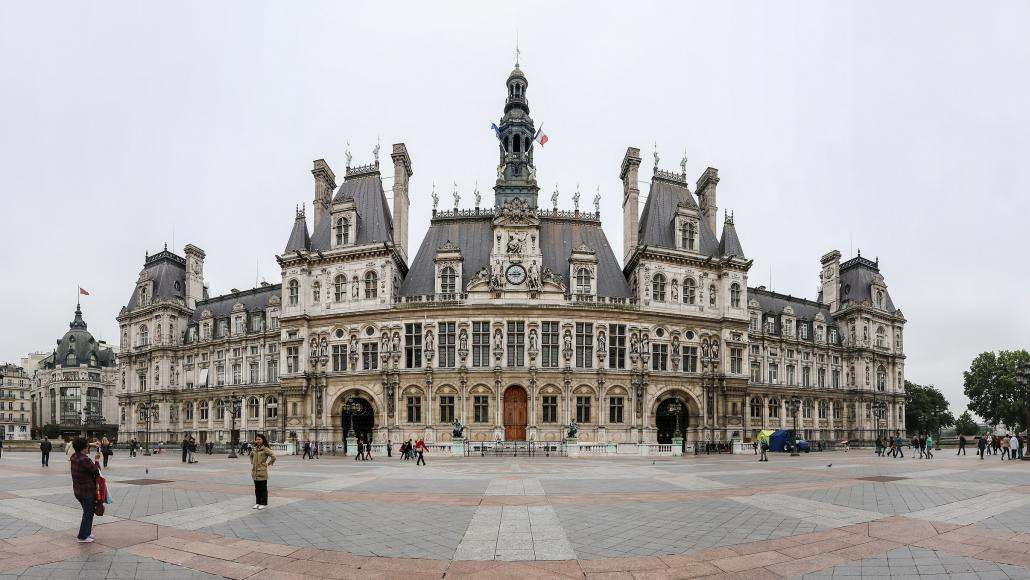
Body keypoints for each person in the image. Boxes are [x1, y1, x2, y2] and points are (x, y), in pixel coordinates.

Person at [69, 438, 101, 543]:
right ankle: (82, 536)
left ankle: (86, 531)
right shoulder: (85, 460)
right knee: (88, 513)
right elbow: (96, 471)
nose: (89, 448)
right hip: (87, 491)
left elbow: (80, 444)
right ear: (84, 448)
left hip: (78, 491)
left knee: (88, 512)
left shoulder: (74, 456)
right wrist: (96, 460)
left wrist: (92, 444)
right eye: (87, 447)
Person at [250, 434, 276, 510]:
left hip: (262, 472)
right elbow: (251, 455)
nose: (257, 441)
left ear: (263, 440)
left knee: (263, 489)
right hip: (255, 472)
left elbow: (273, 457)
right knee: (257, 488)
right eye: (256, 439)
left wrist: (268, 464)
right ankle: (257, 502)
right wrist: (253, 463)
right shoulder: (254, 449)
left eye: (259, 439)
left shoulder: (265, 449)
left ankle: (263, 503)